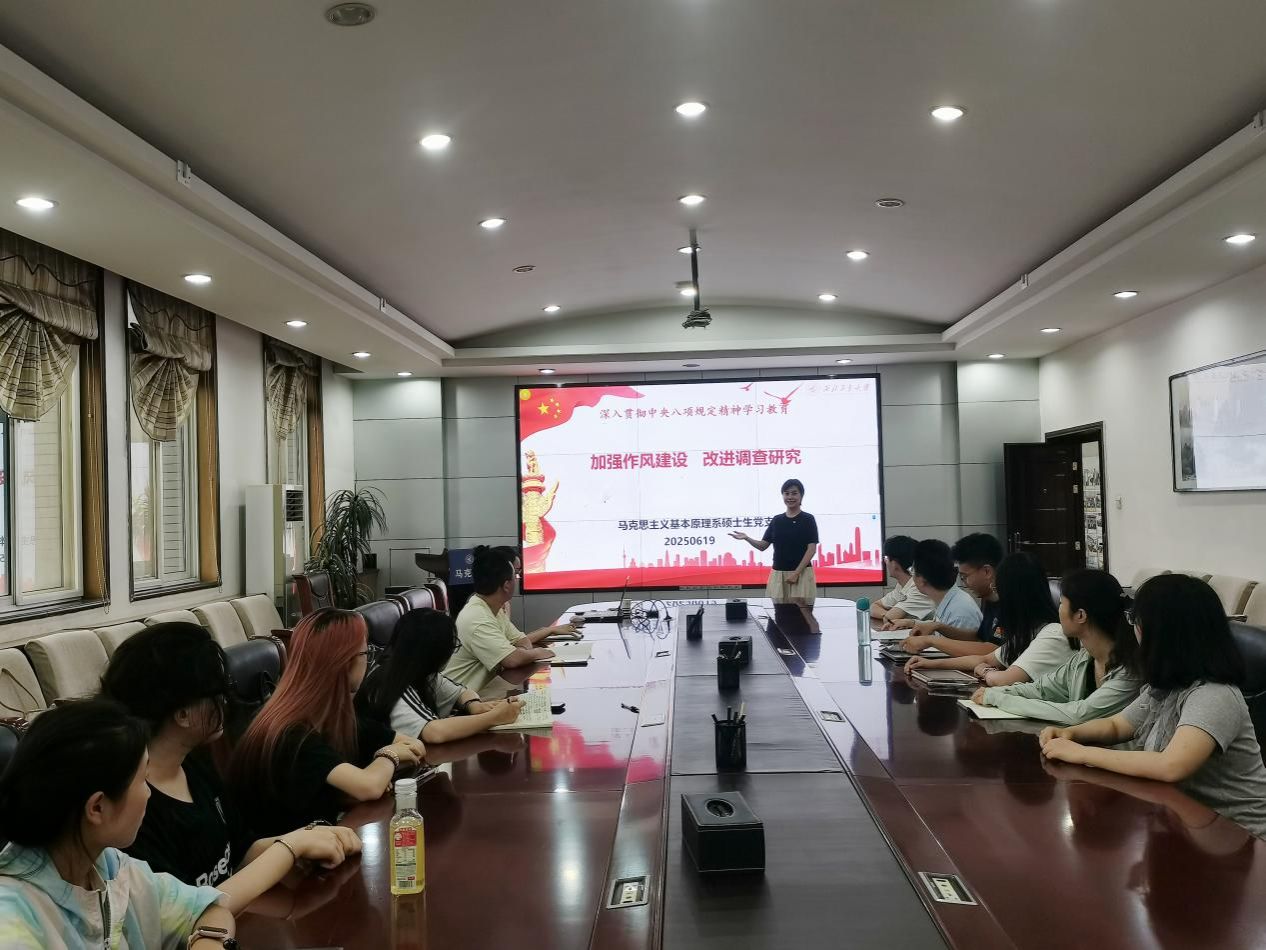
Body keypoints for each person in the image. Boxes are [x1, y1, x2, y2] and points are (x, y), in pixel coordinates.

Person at [99, 622, 361, 908]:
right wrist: (289, 847)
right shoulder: (135, 810)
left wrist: (307, 839)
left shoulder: (195, 766)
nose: (225, 702)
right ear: (183, 714)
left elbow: (242, 851)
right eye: (218, 693)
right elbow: (188, 913)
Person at [1039, 574, 1266, 838]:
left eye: (1135, 620)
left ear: (1162, 633)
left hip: (1242, 838)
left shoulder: (1215, 695)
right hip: (1188, 824)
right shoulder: (1169, 685)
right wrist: (1071, 733)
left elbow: (1170, 766)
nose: (1132, 629)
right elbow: (1117, 726)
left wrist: (1081, 754)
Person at [0, 698, 236, 948]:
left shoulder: (109, 866)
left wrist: (207, 941)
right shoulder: (13, 920)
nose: (149, 793)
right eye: (143, 779)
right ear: (97, 807)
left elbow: (207, 909)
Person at [229, 608, 425, 837]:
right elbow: (369, 787)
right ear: (344, 662)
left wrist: (370, 776)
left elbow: (414, 745)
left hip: (320, 839)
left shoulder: (332, 715)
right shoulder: (292, 733)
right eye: (366, 653)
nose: (369, 660)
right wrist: (388, 756)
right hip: (290, 852)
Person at [971, 569, 1140, 724]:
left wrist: (1000, 699)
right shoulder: (1083, 659)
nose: (1058, 610)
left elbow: (1079, 714)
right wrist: (998, 693)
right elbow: (1041, 689)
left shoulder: (1129, 670)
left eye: (1061, 604)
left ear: (1080, 615)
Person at [358, 608, 523, 741]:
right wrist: (494, 717)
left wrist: (474, 705)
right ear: (434, 654)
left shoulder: (418, 670)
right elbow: (434, 732)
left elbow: (461, 692)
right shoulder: (390, 683)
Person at [906, 552, 1069, 685]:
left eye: (998, 589)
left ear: (1015, 596)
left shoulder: (1052, 634)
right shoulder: (1026, 632)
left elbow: (1003, 679)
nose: (998, 598)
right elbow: (985, 659)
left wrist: (984, 671)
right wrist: (929, 664)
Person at [444, 547, 557, 690]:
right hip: (461, 699)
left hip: (482, 691)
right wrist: (537, 653)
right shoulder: (477, 618)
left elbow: (523, 641)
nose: (517, 580)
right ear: (506, 585)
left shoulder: (493, 608)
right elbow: (512, 660)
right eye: (515, 576)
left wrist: (519, 653)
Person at [728, 478, 819, 605]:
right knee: (778, 614)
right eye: (786, 493)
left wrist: (796, 574)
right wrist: (747, 538)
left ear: (801, 496)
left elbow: (812, 549)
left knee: (803, 613)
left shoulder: (808, 519)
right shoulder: (777, 520)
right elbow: (763, 546)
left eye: (794, 493)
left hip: (801, 574)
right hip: (778, 575)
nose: (790, 497)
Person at [896, 539, 990, 657]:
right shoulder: (948, 599)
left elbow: (966, 656)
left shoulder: (960, 611)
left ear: (922, 579)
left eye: (912, 571)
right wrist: (913, 623)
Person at [491, 544, 581, 640]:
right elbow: (510, 645)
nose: (516, 580)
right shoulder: (487, 609)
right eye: (516, 573)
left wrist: (547, 631)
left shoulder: (504, 604)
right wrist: (548, 631)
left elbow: (515, 640)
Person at [871, 535, 935, 624]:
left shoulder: (920, 587)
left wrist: (888, 616)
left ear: (894, 564)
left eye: (886, 558)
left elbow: (890, 618)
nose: (885, 562)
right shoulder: (902, 585)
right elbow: (873, 607)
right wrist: (886, 615)